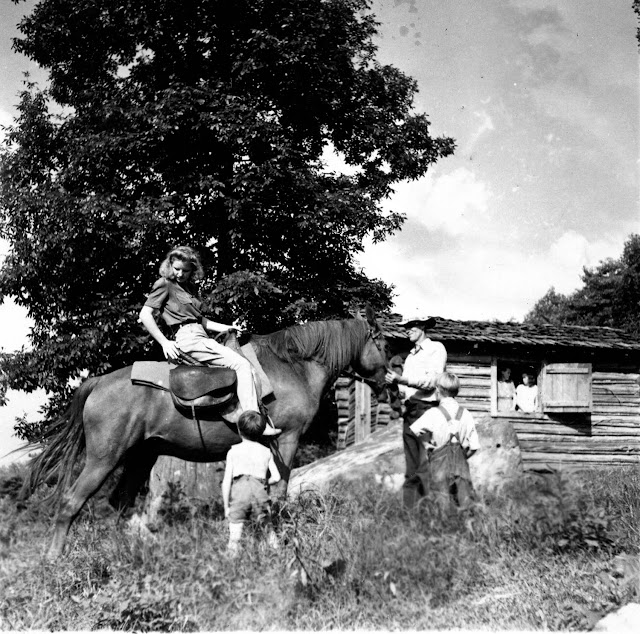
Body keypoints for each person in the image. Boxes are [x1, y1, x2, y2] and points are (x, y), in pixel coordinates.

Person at [139, 245, 279, 435]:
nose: (180, 274)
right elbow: (145, 314)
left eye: (185, 270)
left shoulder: (189, 288)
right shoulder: (164, 284)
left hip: (200, 335)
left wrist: (227, 327)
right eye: (176, 268)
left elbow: (201, 321)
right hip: (189, 339)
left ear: (193, 270)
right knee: (241, 365)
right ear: (170, 265)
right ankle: (254, 424)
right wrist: (164, 342)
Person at [385, 315, 447, 508]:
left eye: (411, 326)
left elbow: (432, 383)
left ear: (422, 326)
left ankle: (433, 512)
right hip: (410, 411)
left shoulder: (436, 348)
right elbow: (405, 391)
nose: (407, 330)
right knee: (411, 466)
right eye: (406, 327)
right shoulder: (411, 356)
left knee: (425, 464)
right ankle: (410, 513)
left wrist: (402, 380)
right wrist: (394, 386)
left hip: (427, 410)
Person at [410, 372, 480, 510]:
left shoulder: (433, 413)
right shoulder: (466, 414)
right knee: (465, 507)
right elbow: (474, 446)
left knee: (441, 507)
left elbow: (413, 432)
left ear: (437, 390)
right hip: (461, 469)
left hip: (439, 468)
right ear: (456, 391)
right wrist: (462, 457)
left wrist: (426, 445)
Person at [222, 411, 281, 556]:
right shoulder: (266, 452)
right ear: (261, 432)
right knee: (268, 529)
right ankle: (280, 556)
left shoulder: (233, 452)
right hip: (259, 491)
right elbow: (277, 477)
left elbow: (226, 482)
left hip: (240, 493)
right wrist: (263, 483)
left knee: (235, 536)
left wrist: (226, 507)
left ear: (239, 430)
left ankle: (231, 561)